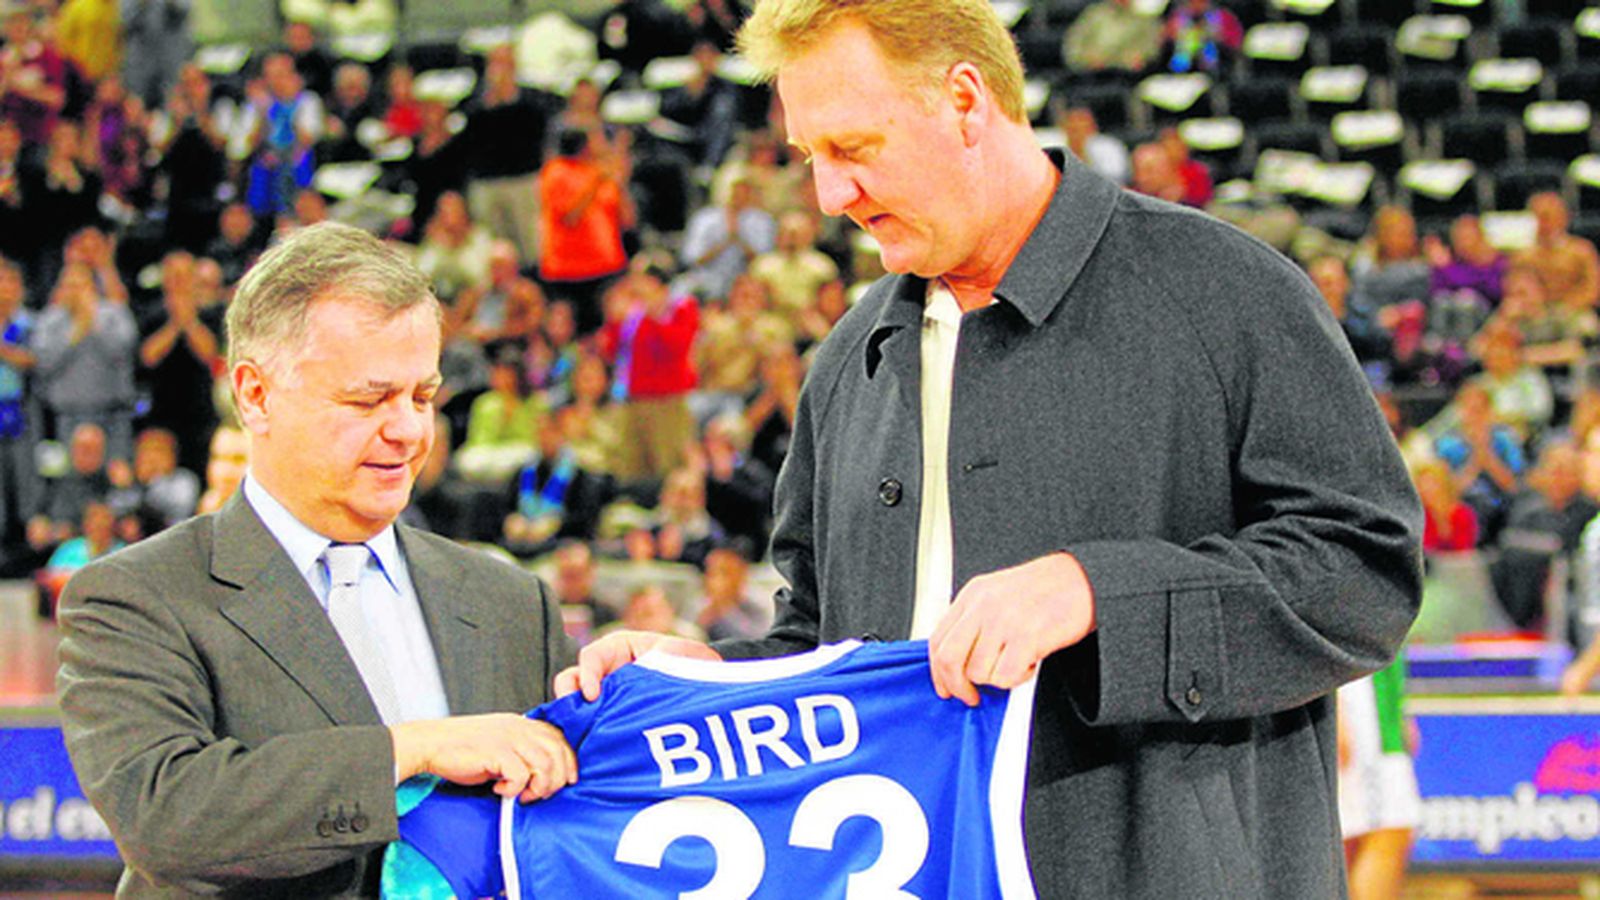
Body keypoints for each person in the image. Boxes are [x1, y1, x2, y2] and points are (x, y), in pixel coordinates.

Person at [561, 1, 1423, 897]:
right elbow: (828, 646)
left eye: (854, 148)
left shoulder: (1228, 292)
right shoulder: (848, 361)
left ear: (965, 101)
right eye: (812, 157)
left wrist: (1096, 591)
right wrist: (712, 685)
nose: (828, 196)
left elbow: (1365, 574)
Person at [56, 222, 578, 896]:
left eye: (422, 396)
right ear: (255, 394)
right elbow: (167, 816)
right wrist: (410, 749)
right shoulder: (134, 597)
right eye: (368, 399)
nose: (409, 430)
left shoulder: (511, 601)